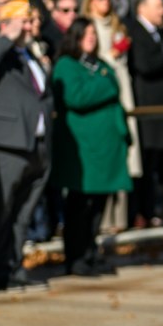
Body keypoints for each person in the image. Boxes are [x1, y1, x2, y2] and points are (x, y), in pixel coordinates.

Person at [0, 0, 55, 290]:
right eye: (27, 21)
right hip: (8, 147)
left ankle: (16, 266)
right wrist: (7, 32)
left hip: (37, 145)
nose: (33, 26)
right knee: (2, 212)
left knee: (23, 215)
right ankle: (1, 271)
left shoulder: (30, 54)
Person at [51, 18, 131, 276]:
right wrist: (105, 82)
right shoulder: (66, 65)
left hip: (105, 148)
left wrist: (106, 81)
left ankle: (90, 252)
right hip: (84, 151)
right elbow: (76, 96)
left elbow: (114, 84)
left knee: (98, 206)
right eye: (85, 34)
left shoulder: (100, 64)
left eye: (93, 34)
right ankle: (75, 257)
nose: (91, 38)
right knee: (79, 206)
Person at [81, 0, 142, 229]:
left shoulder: (118, 26)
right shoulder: (87, 27)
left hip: (123, 91)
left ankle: (121, 219)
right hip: (102, 94)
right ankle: (102, 222)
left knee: (125, 152)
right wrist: (111, 56)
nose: (105, 2)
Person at [127, 0, 163, 226]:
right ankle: (144, 211)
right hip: (148, 107)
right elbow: (145, 65)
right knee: (147, 162)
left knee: (158, 163)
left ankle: (153, 209)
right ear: (143, 8)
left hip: (162, 106)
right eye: (158, 6)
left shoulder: (159, 33)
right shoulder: (137, 32)